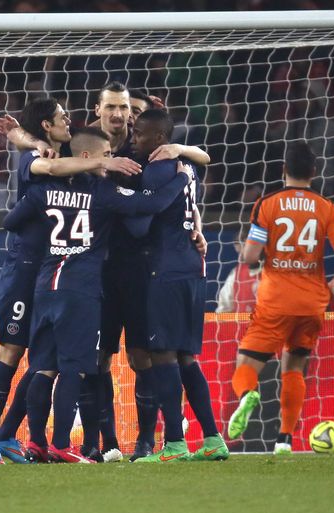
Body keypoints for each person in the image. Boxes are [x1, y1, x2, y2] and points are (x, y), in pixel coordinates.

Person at [2, 127, 190, 463]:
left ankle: (35, 443)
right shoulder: (103, 192)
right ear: (87, 157)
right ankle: (61, 445)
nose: (112, 161)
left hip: (45, 287)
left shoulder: (44, 188)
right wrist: (181, 178)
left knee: (43, 367)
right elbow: (153, 202)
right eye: (106, 155)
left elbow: (12, 220)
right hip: (81, 290)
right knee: (73, 368)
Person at [0, 98, 140, 465]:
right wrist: (97, 160)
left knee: (41, 363)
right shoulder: (37, 163)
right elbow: (42, 161)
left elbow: (47, 144)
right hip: (26, 268)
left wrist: (26, 135)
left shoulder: (59, 155)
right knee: (13, 353)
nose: (69, 120)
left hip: (49, 273)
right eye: (62, 117)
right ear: (47, 127)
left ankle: (11, 437)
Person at [226, 141, 334, 455]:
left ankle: (247, 396)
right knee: (294, 365)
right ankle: (284, 440)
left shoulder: (268, 204)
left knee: (245, 364)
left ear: (284, 171)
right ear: (314, 172)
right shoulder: (327, 207)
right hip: (312, 303)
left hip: (275, 302)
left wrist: (247, 251)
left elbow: (251, 255)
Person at [128, 109, 227, 463]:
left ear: (157, 139)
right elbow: (202, 161)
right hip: (192, 267)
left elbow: (142, 225)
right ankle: (214, 439)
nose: (134, 138)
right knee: (186, 357)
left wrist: (124, 208)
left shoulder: (156, 169)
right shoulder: (187, 167)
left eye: (139, 133)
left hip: (165, 270)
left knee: (163, 355)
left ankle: (173, 443)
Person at [215, 228, 261, 314]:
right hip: (242, 326)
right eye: (239, 253)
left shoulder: (274, 273)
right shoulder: (236, 274)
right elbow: (224, 309)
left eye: (242, 253)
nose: (240, 258)